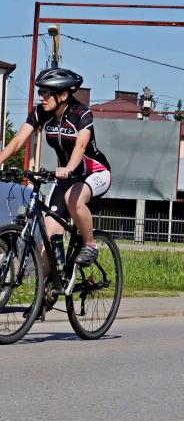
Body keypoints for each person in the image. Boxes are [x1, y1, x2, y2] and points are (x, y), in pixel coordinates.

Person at [0, 68, 111, 270]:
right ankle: (53, 282)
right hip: (65, 177)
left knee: (73, 199)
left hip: (94, 172)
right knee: (50, 235)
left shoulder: (82, 114)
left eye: (46, 93)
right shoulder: (41, 113)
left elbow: (80, 146)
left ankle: (89, 244)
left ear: (63, 95)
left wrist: (68, 168)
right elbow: (17, 141)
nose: (41, 97)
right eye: (40, 92)